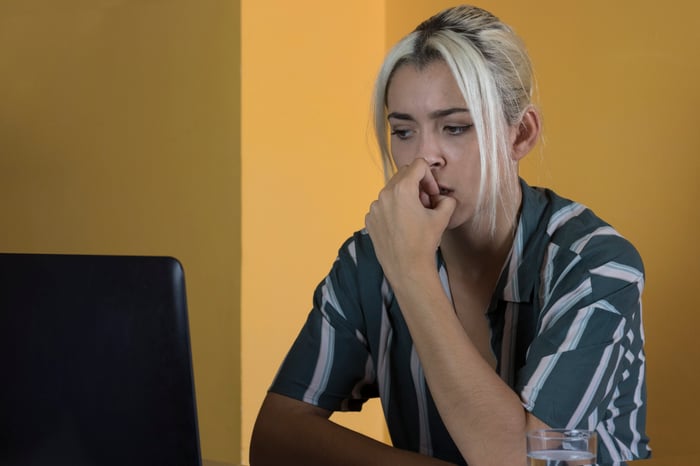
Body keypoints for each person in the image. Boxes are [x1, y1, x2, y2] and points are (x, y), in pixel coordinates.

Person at [250, 5, 650, 465]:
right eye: (403, 131)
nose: (424, 158)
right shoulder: (369, 261)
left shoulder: (596, 268)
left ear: (520, 135)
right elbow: (275, 437)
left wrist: (412, 273)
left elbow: (527, 462)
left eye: (455, 128)